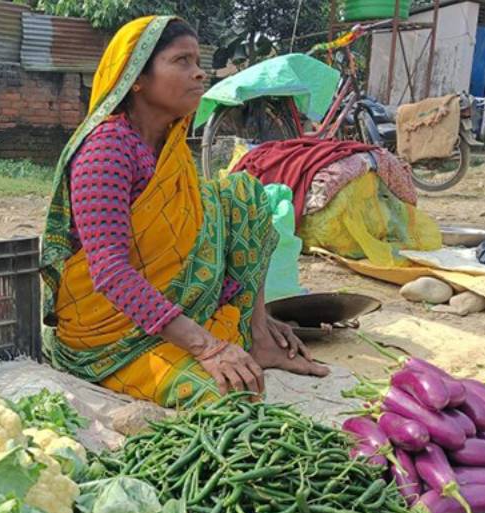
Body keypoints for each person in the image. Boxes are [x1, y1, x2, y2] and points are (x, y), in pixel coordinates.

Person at [41, 16, 328, 410]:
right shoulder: (106, 149)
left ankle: (258, 336)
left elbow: (189, 232)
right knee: (226, 394)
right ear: (136, 78)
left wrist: (251, 321)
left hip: (161, 312)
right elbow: (109, 271)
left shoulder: (168, 144)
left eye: (198, 62)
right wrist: (208, 346)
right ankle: (207, 343)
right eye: (181, 61)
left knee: (242, 194)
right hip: (110, 332)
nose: (199, 74)